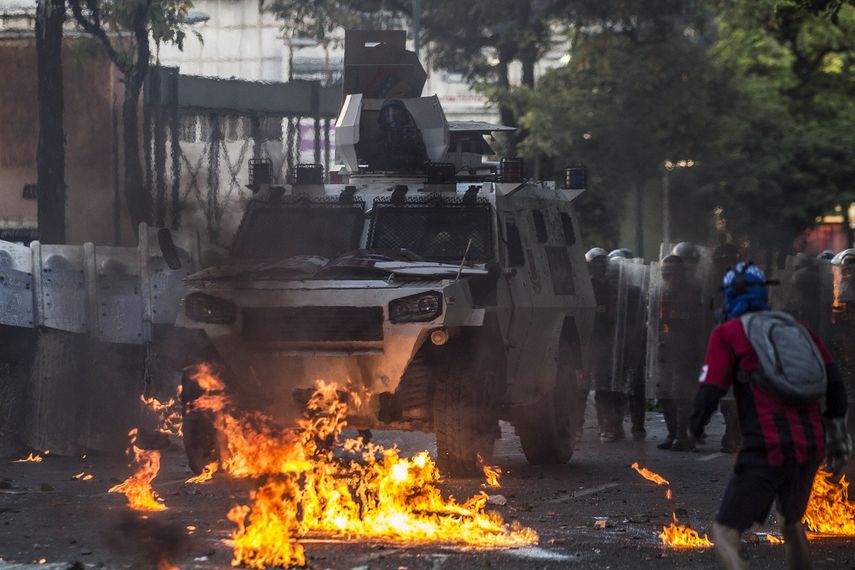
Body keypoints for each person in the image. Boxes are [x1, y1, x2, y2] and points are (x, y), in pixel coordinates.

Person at [689, 262, 851, 570]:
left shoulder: (729, 332)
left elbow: (711, 390)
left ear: (730, 297)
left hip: (767, 447)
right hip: (811, 446)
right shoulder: (797, 328)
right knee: (792, 525)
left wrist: (695, 427)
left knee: (724, 534)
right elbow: (836, 386)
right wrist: (839, 435)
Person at [654, 253, 704, 451]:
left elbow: (700, 323)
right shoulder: (660, 292)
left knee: (682, 394)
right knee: (665, 393)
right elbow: (654, 321)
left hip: (687, 348)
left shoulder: (694, 292)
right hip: (664, 348)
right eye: (666, 273)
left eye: (673, 273)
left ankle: (684, 435)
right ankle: (672, 433)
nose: (670, 277)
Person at [711, 243, 743, 453]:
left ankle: (734, 435)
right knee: (726, 396)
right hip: (723, 344)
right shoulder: (714, 282)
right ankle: (732, 434)